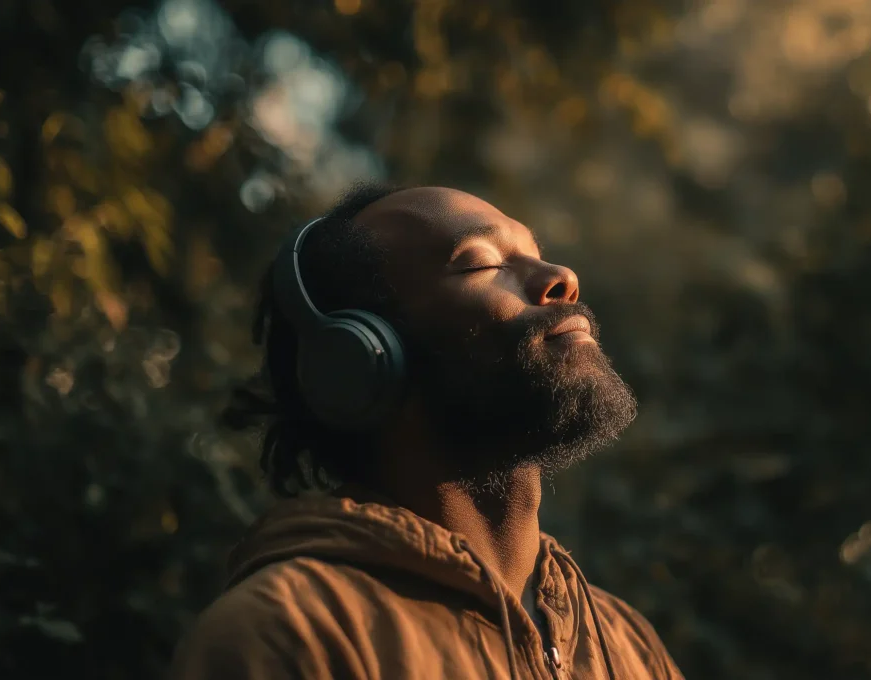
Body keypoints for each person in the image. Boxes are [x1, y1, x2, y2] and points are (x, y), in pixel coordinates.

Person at [168, 183, 684, 679]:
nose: (562, 275)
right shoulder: (291, 634)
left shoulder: (628, 645)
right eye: (483, 262)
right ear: (361, 358)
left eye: (535, 251)